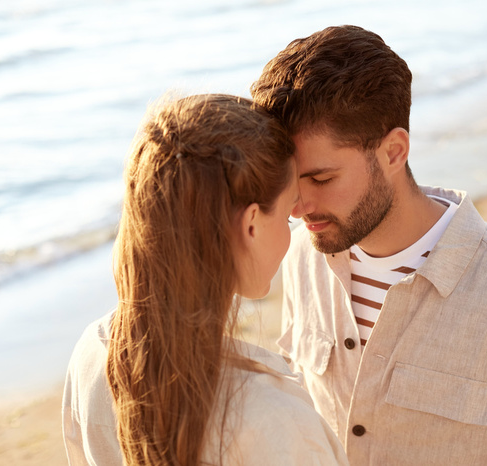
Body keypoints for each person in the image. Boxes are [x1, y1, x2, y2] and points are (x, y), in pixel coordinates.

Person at [251, 25, 487, 465]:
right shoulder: (303, 257)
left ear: (393, 152)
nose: (298, 207)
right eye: (290, 183)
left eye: (320, 178)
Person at [61, 94, 349, 466]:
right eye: (286, 216)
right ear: (250, 226)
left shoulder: (91, 354)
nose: (295, 226)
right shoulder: (271, 414)